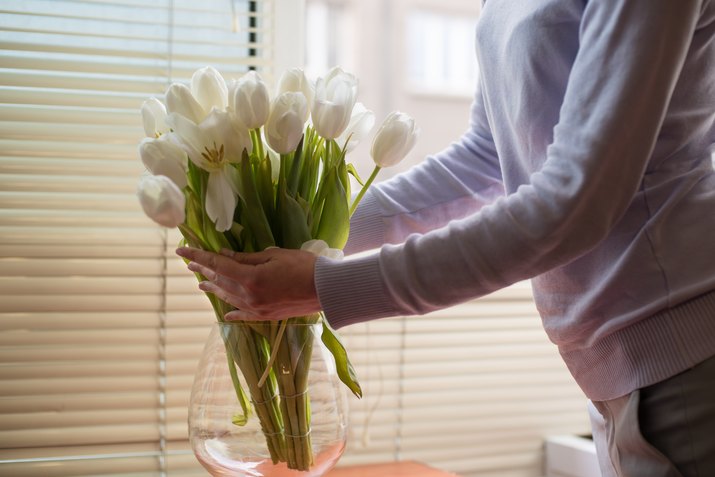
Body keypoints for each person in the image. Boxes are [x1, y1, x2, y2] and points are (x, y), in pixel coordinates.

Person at [176, 1, 715, 476]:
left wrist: (324, 286)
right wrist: (306, 231)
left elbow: (574, 201)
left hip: (681, 351)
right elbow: (486, 157)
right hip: (611, 369)